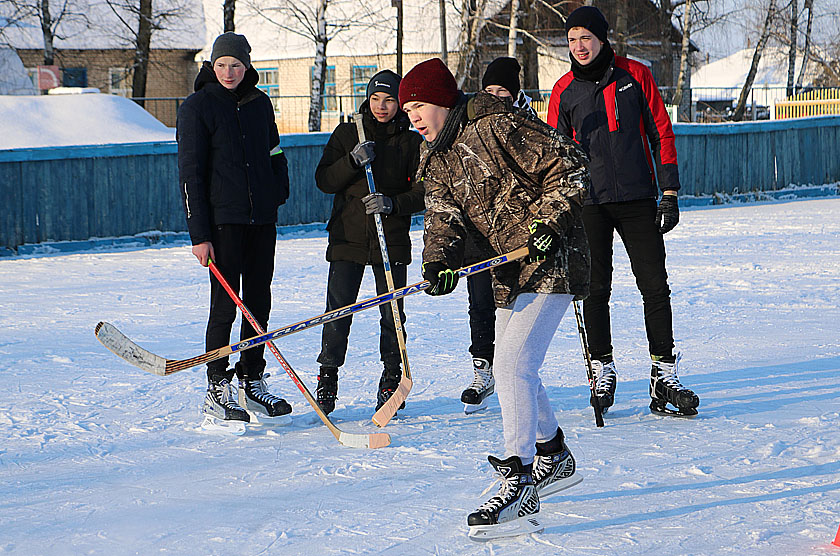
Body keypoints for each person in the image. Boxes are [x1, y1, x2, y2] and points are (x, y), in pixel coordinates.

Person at [400, 58, 589, 540]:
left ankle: (520, 479)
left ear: (442, 101)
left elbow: (568, 166)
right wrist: (437, 264)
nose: (413, 118)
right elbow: (443, 220)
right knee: (516, 366)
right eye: (407, 112)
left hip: (552, 256)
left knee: (509, 366)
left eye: (418, 107)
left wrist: (550, 222)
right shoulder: (436, 159)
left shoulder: (497, 124)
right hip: (509, 268)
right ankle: (553, 454)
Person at [547, 6, 700, 417]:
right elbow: (556, 159)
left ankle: (663, 373)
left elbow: (661, 131)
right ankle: (602, 367)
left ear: (602, 38)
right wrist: (560, 210)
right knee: (595, 289)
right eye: (572, 39)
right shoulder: (563, 92)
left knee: (654, 285)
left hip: (637, 198)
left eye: (586, 37)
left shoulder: (636, 75)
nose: (579, 46)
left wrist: (669, 191)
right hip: (590, 204)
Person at [176, 32, 292, 432]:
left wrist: (278, 189)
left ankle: (252, 376)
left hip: (261, 220)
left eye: (236, 65)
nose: (229, 72)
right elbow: (190, 173)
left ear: (247, 67)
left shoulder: (259, 103)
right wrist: (198, 234)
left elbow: (275, 151)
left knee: (259, 300)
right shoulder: (197, 107)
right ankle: (217, 385)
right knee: (225, 306)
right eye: (222, 65)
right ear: (212, 65)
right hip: (221, 224)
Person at [313, 69, 424, 415]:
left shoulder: (410, 141)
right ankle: (327, 376)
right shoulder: (349, 133)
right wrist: (351, 161)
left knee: (392, 314)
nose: (381, 106)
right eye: (376, 98)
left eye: (389, 100)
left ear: (400, 103)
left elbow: (422, 191)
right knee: (339, 311)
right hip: (348, 239)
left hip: (390, 241)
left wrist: (393, 204)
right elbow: (324, 180)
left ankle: (392, 377)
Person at [457, 56, 539, 416]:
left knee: (512, 306)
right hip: (479, 230)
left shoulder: (529, 125)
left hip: (518, 233)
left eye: (501, 91)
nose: (493, 97)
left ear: (515, 93)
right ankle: (483, 370)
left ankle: (514, 371)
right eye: (488, 90)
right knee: (480, 302)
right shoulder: (470, 125)